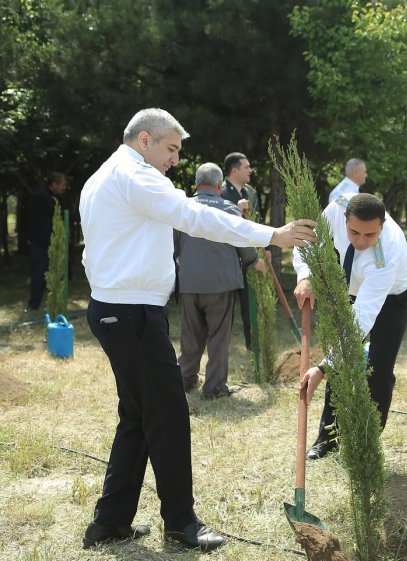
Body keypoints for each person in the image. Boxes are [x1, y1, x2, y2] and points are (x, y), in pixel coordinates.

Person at [79, 108, 316, 552]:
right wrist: (271, 235)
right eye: (171, 149)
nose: (175, 159)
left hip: (120, 310)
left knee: (138, 415)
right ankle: (181, 524)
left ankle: (109, 522)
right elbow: (197, 218)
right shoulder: (135, 177)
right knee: (167, 416)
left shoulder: (105, 175)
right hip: (129, 314)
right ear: (144, 140)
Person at [292, 193, 407, 460]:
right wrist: (305, 275)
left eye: (370, 235)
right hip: (351, 289)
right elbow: (307, 243)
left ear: (382, 226)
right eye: (354, 232)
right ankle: (328, 439)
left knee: (379, 370)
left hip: (392, 296)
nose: (360, 241)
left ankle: (365, 443)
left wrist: (322, 367)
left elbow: (362, 320)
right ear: (344, 218)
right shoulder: (336, 208)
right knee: (341, 363)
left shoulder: (387, 254)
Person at [176, 163, 266, 400]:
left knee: (190, 335)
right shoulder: (229, 209)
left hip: (189, 282)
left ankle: (184, 379)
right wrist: (254, 260)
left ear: (196, 184)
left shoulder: (181, 208)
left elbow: (173, 246)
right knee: (218, 336)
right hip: (220, 283)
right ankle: (215, 388)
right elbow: (242, 239)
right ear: (219, 185)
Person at [220, 152, 259, 350]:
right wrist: (236, 208)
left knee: (249, 304)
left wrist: (264, 248)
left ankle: (252, 344)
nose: (250, 170)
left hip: (249, 257)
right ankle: (221, 346)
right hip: (227, 258)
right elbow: (216, 221)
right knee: (224, 307)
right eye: (246, 167)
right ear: (234, 171)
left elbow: (256, 223)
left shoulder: (250, 192)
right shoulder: (221, 192)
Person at [26, 172, 68, 311]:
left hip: (53, 243)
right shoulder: (42, 197)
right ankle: (34, 304)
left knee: (57, 272)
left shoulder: (58, 198)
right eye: (62, 184)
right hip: (40, 244)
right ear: (54, 184)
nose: (64, 187)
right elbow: (56, 214)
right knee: (39, 273)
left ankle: (54, 301)